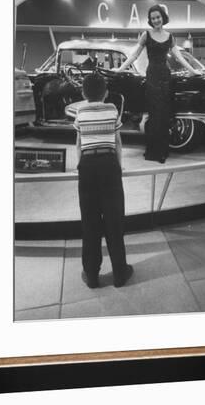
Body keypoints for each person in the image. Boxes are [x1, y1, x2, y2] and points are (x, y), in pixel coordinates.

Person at [116, 5, 201, 163]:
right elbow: (134, 55)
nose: (156, 20)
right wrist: (119, 69)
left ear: (163, 17)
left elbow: (179, 57)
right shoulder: (146, 35)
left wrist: (193, 70)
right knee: (154, 114)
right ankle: (153, 151)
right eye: (153, 18)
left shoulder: (170, 36)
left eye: (158, 17)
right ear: (150, 20)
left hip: (165, 77)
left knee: (164, 115)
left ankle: (162, 150)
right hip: (152, 77)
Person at [74, 73, 134, 289]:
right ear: (106, 93)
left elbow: (79, 143)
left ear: (83, 93)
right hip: (109, 164)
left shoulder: (80, 111)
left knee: (89, 222)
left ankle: (91, 275)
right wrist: (118, 166)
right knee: (114, 220)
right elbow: (117, 141)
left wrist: (80, 167)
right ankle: (119, 273)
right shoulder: (111, 109)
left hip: (88, 166)